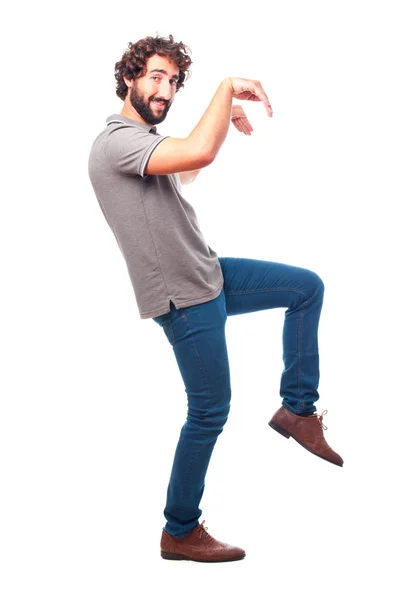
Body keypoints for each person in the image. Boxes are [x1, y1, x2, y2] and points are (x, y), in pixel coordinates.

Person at [88, 33, 343, 563]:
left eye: (174, 81)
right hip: (184, 297)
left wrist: (221, 120)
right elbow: (198, 149)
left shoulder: (145, 144)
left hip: (209, 275)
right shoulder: (115, 141)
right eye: (156, 76)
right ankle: (179, 530)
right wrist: (226, 89)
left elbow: (189, 167)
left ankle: (298, 410)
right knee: (209, 411)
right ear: (130, 78)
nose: (166, 89)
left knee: (306, 288)